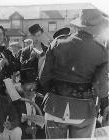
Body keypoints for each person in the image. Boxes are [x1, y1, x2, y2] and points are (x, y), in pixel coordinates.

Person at [40, 9, 109, 138]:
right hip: (83, 111)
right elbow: (101, 88)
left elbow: (44, 77)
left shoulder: (57, 42)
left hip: (55, 107)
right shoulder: (101, 52)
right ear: (98, 28)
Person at [12, 67, 45, 139]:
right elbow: (14, 122)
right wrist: (26, 130)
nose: (32, 88)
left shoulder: (42, 100)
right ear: (22, 85)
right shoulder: (17, 102)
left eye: (34, 84)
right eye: (29, 84)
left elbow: (46, 123)